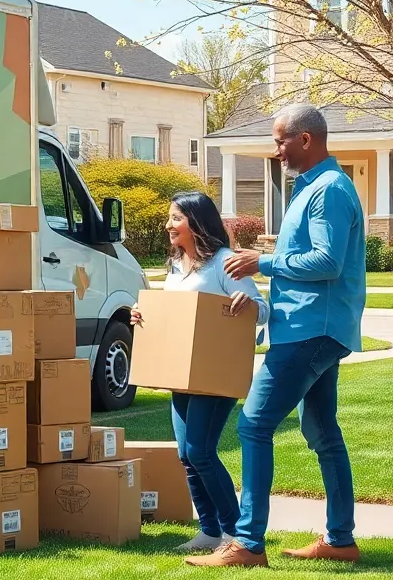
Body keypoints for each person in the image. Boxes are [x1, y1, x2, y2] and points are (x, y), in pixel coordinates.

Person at [189, 104, 365, 568]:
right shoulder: (313, 188)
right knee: (323, 431)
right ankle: (340, 539)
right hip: (312, 328)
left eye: (280, 140)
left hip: (312, 330)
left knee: (253, 423)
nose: (276, 149)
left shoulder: (328, 191)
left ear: (306, 139)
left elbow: (328, 263)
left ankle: (247, 544)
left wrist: (261, 262)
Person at [130, 192, 269, 554]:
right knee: (186, 455)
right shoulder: (176, 266)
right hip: (183, 372)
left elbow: (263, 310)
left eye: (175, 218)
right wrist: (142, 314)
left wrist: (249, 304)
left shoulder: (224, 262)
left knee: (201, 451)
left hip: (215, 373)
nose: (168, 225)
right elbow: (173, 314)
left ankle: (235, 533)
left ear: (196, 221)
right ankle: (208, 531)